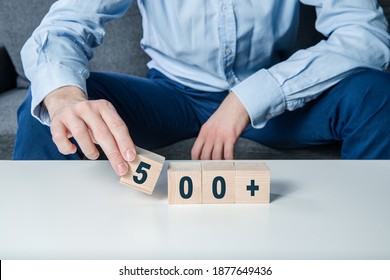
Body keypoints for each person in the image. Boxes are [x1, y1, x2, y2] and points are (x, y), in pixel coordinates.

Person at [13, 0, 390, 176]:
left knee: (376, 94)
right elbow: (64, 27)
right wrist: (64, 97)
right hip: (171, 96)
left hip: (275, 104)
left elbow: (366, 35)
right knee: (52, 107)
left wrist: (251, 97)